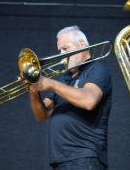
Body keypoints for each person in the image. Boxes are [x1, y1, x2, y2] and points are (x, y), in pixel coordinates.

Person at [28, 25, 112, 170]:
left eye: (65, 49)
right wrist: (33, 89)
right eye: (59, 50)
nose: (61, 54)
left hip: (84, 158)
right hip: (60, 160)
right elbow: (42, 114)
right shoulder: (64, 79)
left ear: (81, 45)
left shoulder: (97, 69)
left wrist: (51, 84)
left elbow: (88, 101)